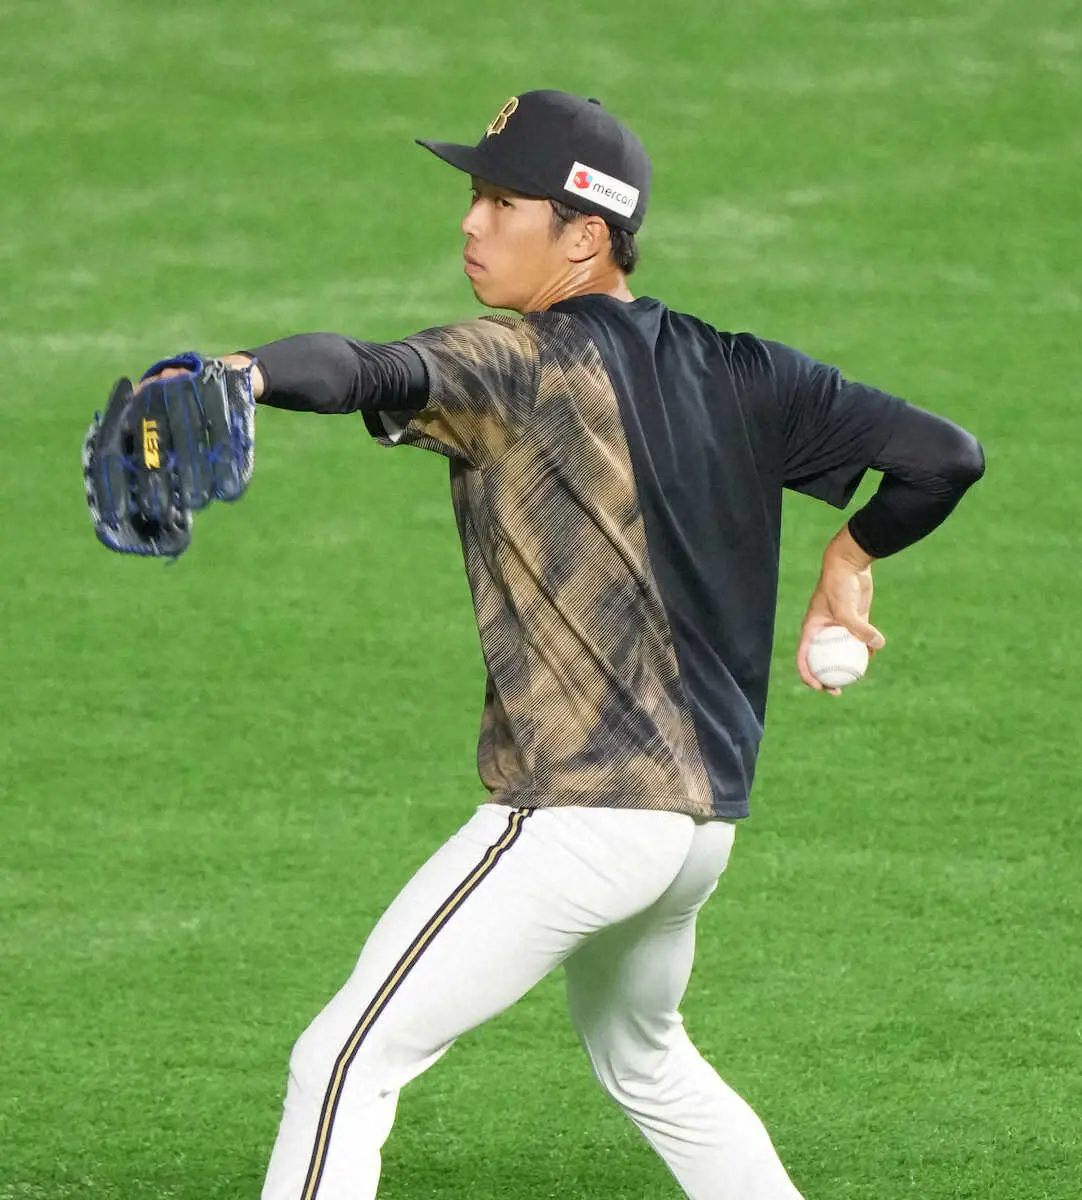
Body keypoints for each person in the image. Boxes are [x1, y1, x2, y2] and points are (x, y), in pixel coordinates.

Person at [147, 90, 984, 1200]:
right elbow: (944, 455)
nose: (470, 222)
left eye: (503, 203)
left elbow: (366, 370)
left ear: (584, 235)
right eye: (474, 196)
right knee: (648, 1061)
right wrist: (852, 553)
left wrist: (243, 374)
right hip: (694, 834)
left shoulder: (518, 361)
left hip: (583, 817)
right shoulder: (744, 370)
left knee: (342, 1061)